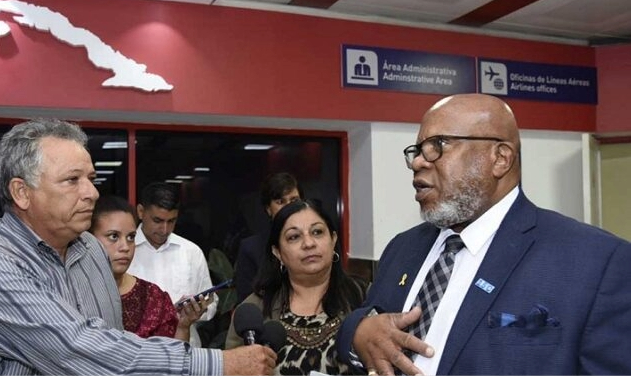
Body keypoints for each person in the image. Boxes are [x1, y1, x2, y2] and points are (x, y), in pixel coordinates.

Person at [336, 93, 631, 375]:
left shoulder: (596, 262)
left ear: (500, 158)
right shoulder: (403, 248)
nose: (418, 162)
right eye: (417, 151)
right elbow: (366, 321)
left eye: (438, 144)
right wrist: (358, 332)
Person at [0, 118, 275, 375]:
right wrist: (217, 364)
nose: (92, 193)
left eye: (91, 177)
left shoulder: (89, 248)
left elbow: (111, 338)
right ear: (22, 192)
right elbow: (77, 349)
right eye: (72, 180)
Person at [226, 199, 367, 376]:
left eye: (317, 232)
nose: (308, 243)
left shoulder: (364, 298)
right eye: (294, 237)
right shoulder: (253, 310)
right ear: (278, 252)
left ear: (333, 239)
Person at [90, 195, 210, 340]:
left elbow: (173, 358)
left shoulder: (154, 297)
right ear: (87, 239)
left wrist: (182, 326)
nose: (125, 247)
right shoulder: (70, 291)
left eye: (131, 237)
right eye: (114, 236)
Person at [127, 182, 217, 347]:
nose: (164, 229)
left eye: (171, 221)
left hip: (185, 350)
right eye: (158, 220)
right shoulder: (124, 250)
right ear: (140, 212)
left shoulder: (191, 252)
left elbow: (211, 304)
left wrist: (198, 310)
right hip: (137, 353)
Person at [234, 172, 303, 305]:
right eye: (281, 202)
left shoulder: (314, 243)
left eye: (294, 201)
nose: (289, 207)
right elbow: (247, 302)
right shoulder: (251, 248)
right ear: (268, 209)